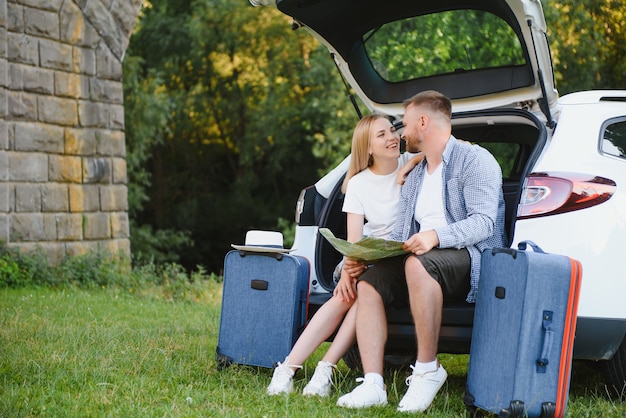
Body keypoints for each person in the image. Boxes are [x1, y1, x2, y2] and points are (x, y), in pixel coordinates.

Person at [337, 90, 506, 412]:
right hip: (421, 257)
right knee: (369, 284)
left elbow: (485, 223)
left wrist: (435, 236)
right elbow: (402, 232)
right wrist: (370, 256)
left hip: (468, 256)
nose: (402, 133)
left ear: (424, 122)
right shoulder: (414, 174)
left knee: (418, 265)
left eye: (406, 123)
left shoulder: (475, 160)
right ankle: (373, 382)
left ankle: (428, 368)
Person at [266, 114, 423, 397]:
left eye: (392, 131)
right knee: (346, 293)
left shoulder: (410, 166)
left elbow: (443, 148)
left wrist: (410, 162)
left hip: (398, 261)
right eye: (381, 135)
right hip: (367, 257)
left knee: (360, 292)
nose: (392, 138)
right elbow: (354, 242)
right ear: (367, 148)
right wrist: (350, 267)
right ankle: (290, 368)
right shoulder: (358, 184)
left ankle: (323, 369)